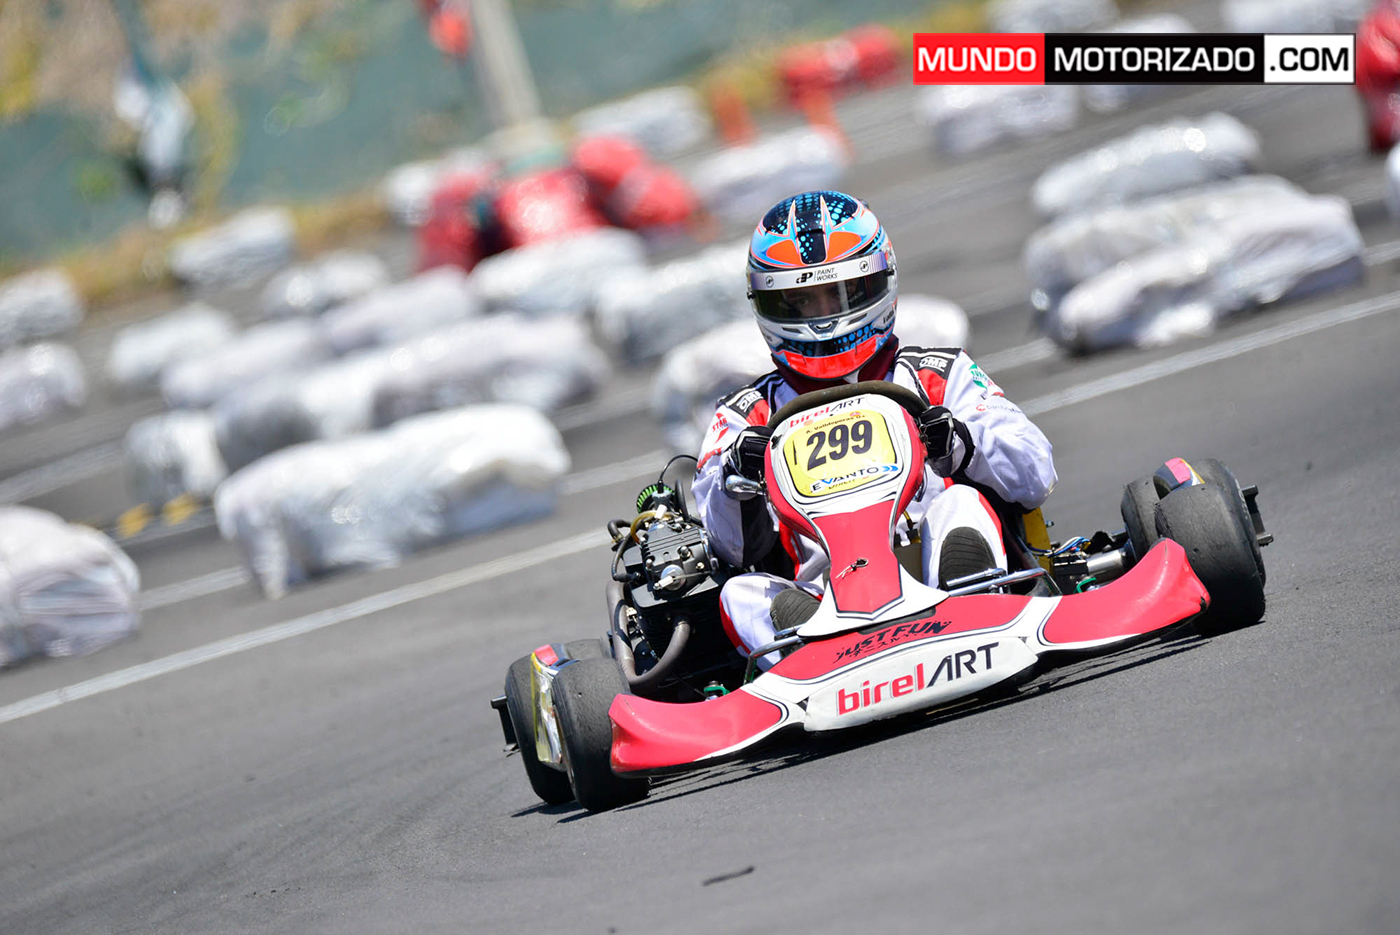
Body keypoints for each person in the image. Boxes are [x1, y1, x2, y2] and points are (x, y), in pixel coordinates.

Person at [692, 190, 1057, 668]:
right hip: (823, 603)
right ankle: (813, 664)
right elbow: (729, 547)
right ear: (769, 304)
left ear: (878, 281)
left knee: (962, 503)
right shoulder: (746, 415)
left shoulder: (936, 375)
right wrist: (735, 481)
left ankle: (974, 608)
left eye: (840, 293)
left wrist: (963, 444)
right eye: (800, 302)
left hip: (940, 576)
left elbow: (1035, 473)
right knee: (740, 593)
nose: (824, 318)